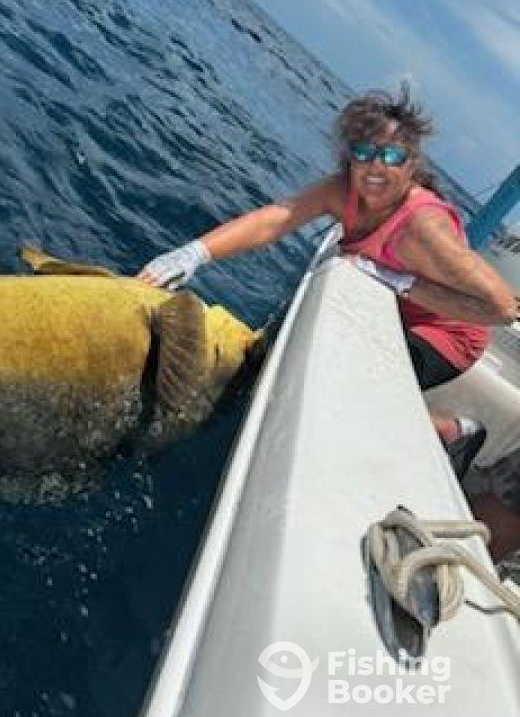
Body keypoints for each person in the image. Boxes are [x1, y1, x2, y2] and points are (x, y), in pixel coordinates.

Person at [138, 85, 518, 480]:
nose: (376, 168)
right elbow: (276, 219)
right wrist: (194, 254)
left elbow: (501, 307)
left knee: (344, 391)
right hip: (403, 312)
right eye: (365, 153)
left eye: (392, 156)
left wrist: (398, 280)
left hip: (449, 333)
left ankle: (454, 432)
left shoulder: (425, 228)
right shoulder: (342, 191)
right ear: (349, 157)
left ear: (412, 166)